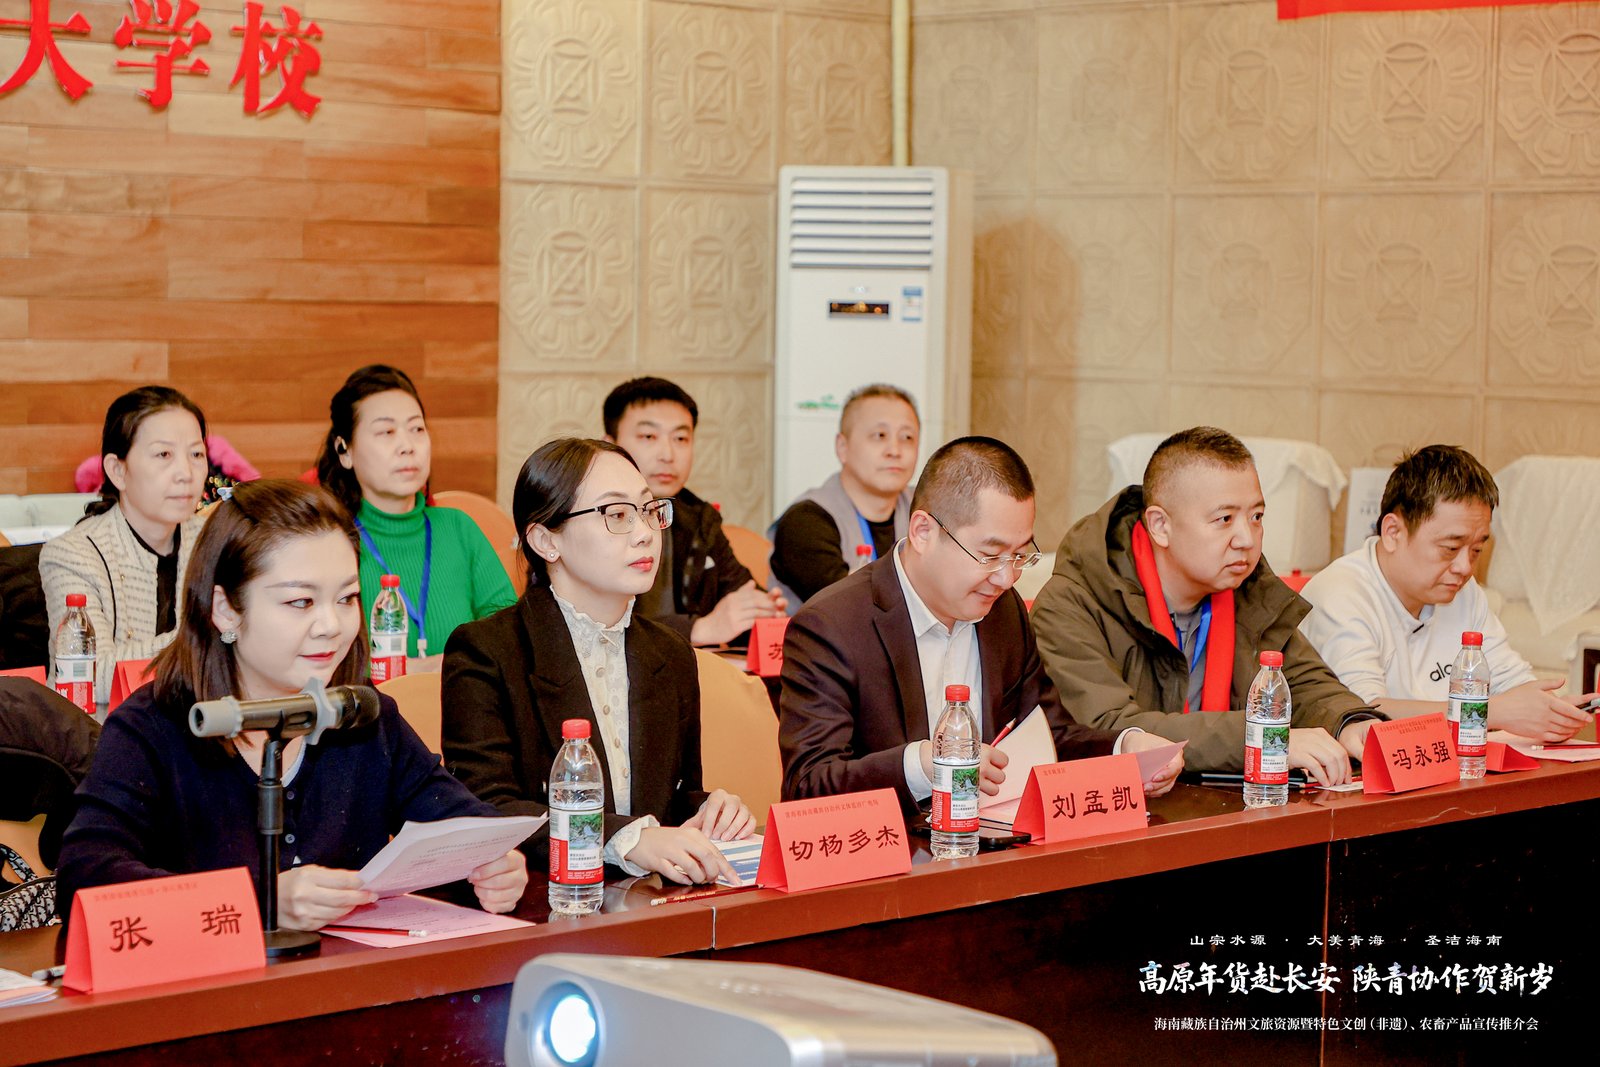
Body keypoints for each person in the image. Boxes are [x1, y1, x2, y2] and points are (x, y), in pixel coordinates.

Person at [55, 480, 526, 928]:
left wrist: (495, 864)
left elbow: (462, 822)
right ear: (226, 609)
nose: (332, 626)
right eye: (301, 602)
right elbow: (84, 879)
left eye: (347, 598)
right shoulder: (151, 728)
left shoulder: (362, 714)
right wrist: (259, 900)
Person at [780, 437, 1184, 815]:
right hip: (892, 850)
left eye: (1019, 555)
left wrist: (1124, 747)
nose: (1006, 578)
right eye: (990, 555)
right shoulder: (832, 626)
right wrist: (925, 765)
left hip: (992, 841)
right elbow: (808, 784)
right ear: (923, 532)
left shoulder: (1003, 611)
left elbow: (1048, 736)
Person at [443, 439, 754, 886]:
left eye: (649, 510)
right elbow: (488, 807)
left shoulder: (670, 652)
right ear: (546, 540)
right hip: (543, 898)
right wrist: (624, 838)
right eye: (617, 515)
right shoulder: (488, 650)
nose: (645, 533)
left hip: (642, 900)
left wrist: (709, 810)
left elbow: (666, 799)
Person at [1032, 427, 1381, 785]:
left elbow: (1304, 683)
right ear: (1160, 526)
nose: (1246, 539)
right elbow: (1110, 729)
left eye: (1257, 517)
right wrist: (1262, 739)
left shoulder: (1246, 587)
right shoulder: (1072, 603)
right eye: (1224, 519)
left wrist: (1349, 721)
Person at [1300, 445, 1594, 743]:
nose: (1465, 567)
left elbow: (1509, 680)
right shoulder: (1340, 595)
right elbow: (1362, 715)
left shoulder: (1462, 591)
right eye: (1450, 548)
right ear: (1393, 533)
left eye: (1476, 550)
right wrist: (1487, 712)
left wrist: (1554, 711)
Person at [314, 365, 516, 661]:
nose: (407, 446)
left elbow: (509, 637)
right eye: (386, 432)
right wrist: (415, 674)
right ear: (344, 451)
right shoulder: (328, 540)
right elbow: (323, 656)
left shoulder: (459, 528)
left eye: (417, 429)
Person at [40, 386, 212, 706]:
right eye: (164, 455)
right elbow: (90, 677)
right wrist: (206, 637)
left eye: (196, 454)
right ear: (118, 470)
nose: (186, 473)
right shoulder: (73, 554)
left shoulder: (213, 538)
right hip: (102, 731)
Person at [602, 376, 785, 645]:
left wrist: (762, 612)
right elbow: (592, 622)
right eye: (649, 436)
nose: (667, 454)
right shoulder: (590, 518)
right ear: (610, 445)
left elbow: (736, 593)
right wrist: (699, 629)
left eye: (680, 438)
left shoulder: (698, 518)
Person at [769, 383, 920, 609]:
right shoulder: (806, 521)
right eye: (880, 435)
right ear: (842, 447)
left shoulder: (930, 510)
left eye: (907, 437)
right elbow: (847, 610)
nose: (895, 450)